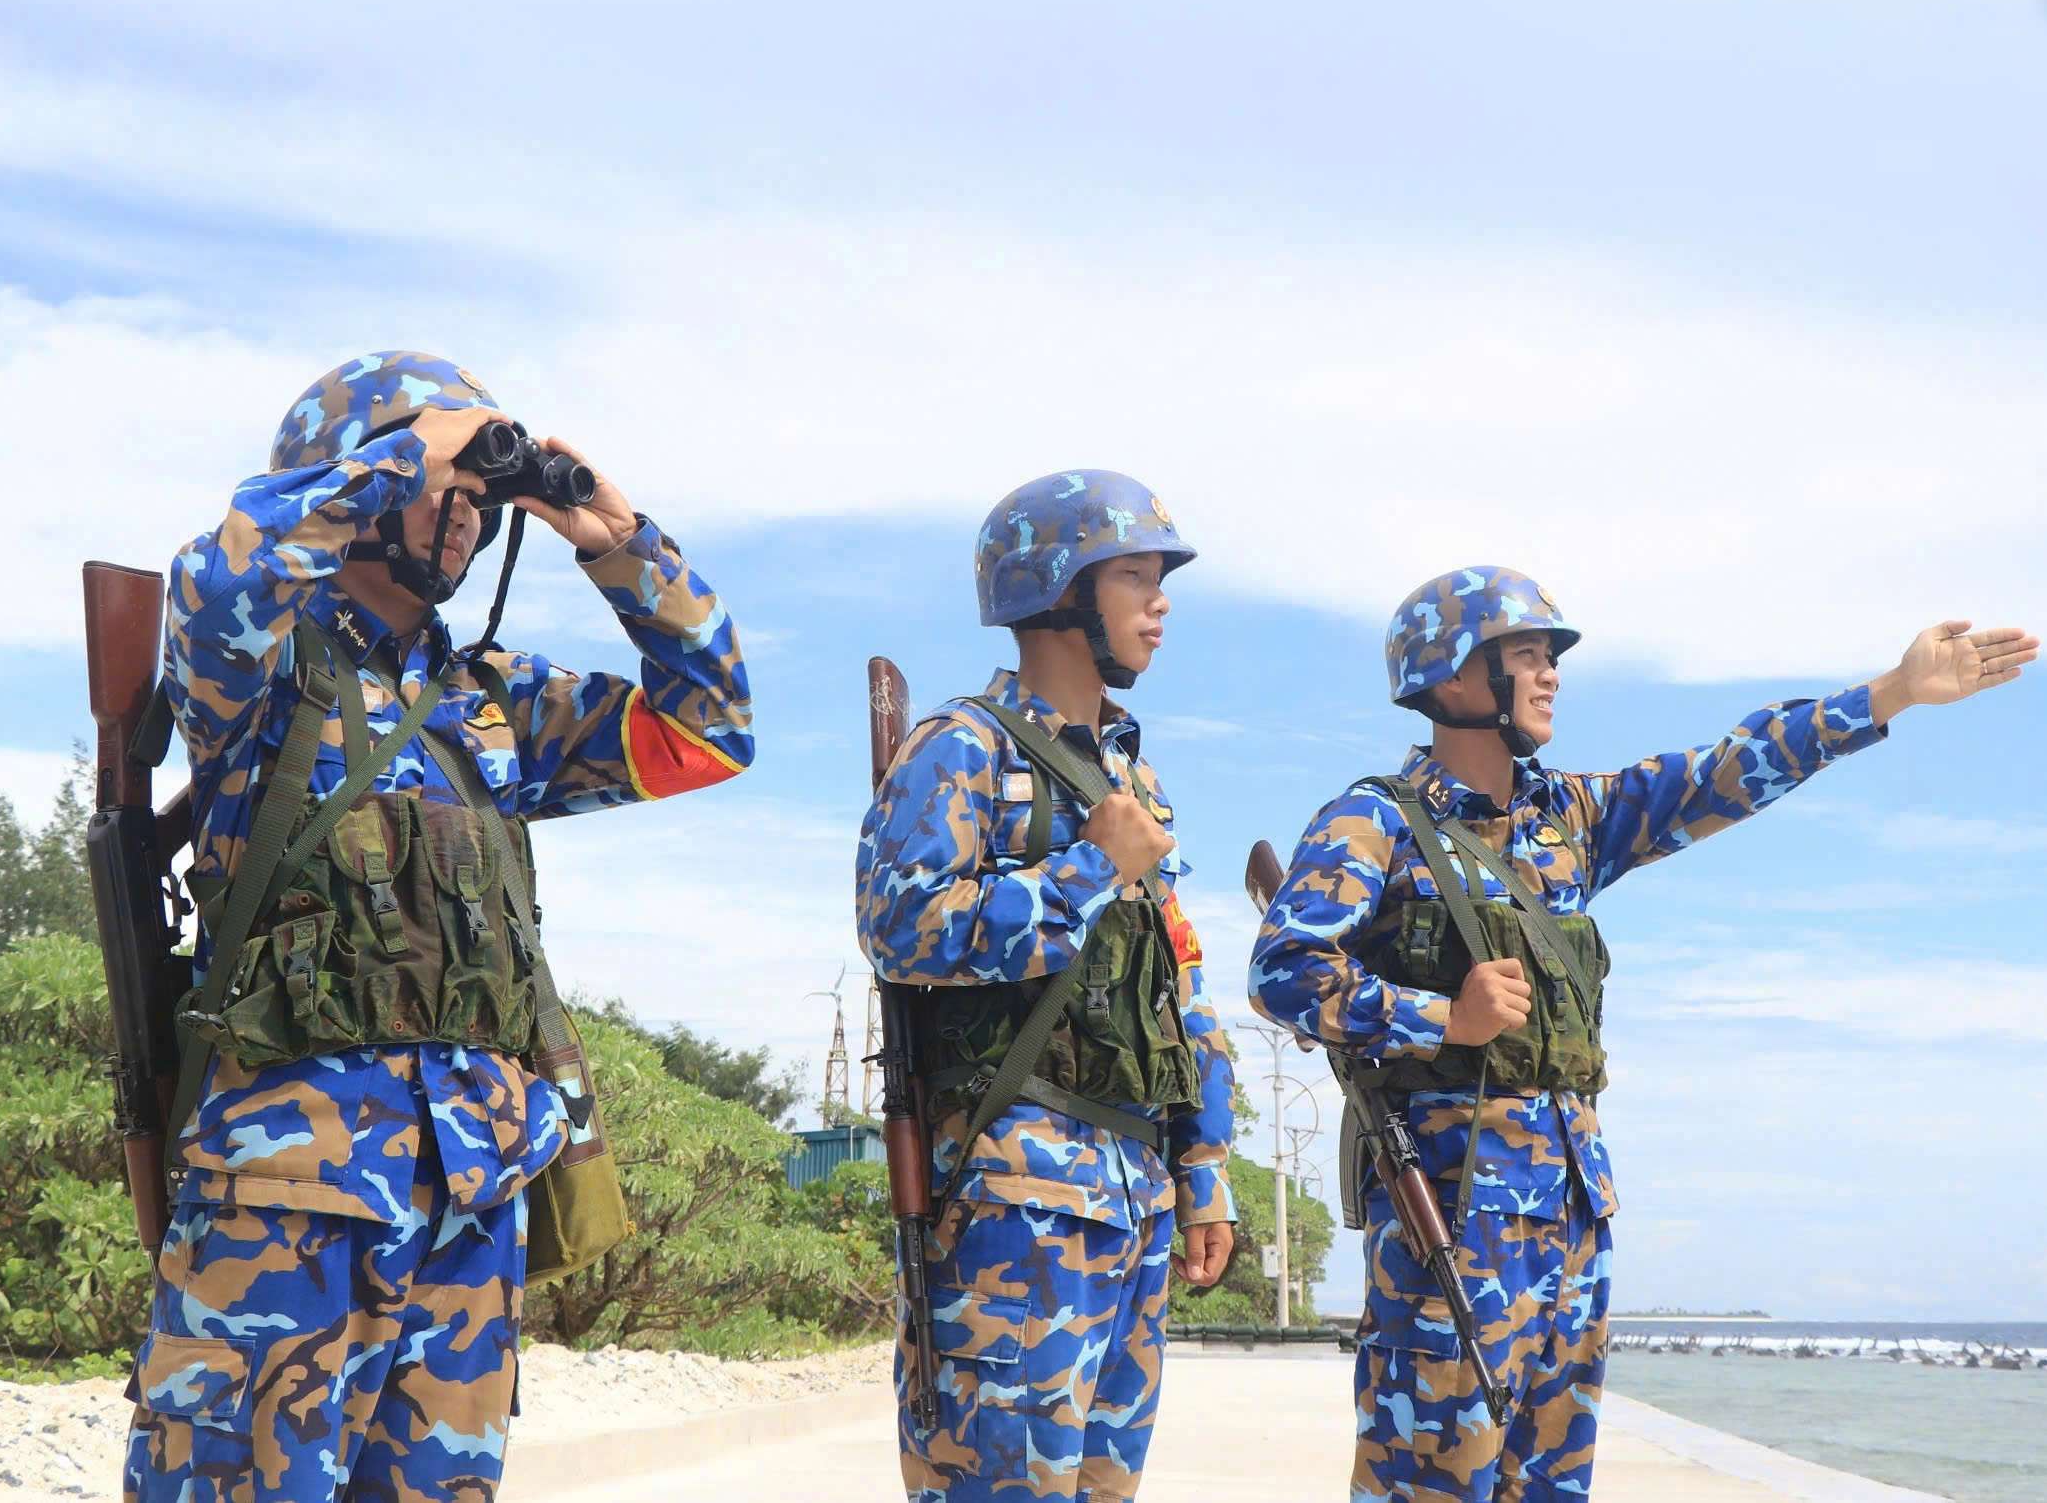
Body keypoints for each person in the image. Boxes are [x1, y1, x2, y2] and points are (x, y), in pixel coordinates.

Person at [1248, 565, 2038, 1502]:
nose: (1551, 674)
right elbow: (1282, 970)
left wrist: (1891, 692)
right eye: (1527, 654)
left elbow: (1722, 771)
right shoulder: (1375, 821)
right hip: (1451, 1227)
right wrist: (1443, 1016)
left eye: (1550, 657)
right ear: (1455, 674)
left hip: (1574, 1224)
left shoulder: (1569, 820)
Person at [122, 350, 752, 1502]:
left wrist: (618, 541)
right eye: (443, 486)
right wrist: (408, 455)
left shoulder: (494, 701)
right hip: (287, 1195)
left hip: (470, 1202)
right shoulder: (259, 669)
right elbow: (219, 579)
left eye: (479, 493)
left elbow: (710, 733)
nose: (464, 508)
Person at [855, 469, 1240, 1503]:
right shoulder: (964, 747)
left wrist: (1202, 1161)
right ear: (1060, 589)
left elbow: (1177, 982)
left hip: (1134, 1192)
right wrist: (1088, 868)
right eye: (1134, 576)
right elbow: (899, 928)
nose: (1160, 602)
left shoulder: (1133, 780)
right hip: (1014, 1197)